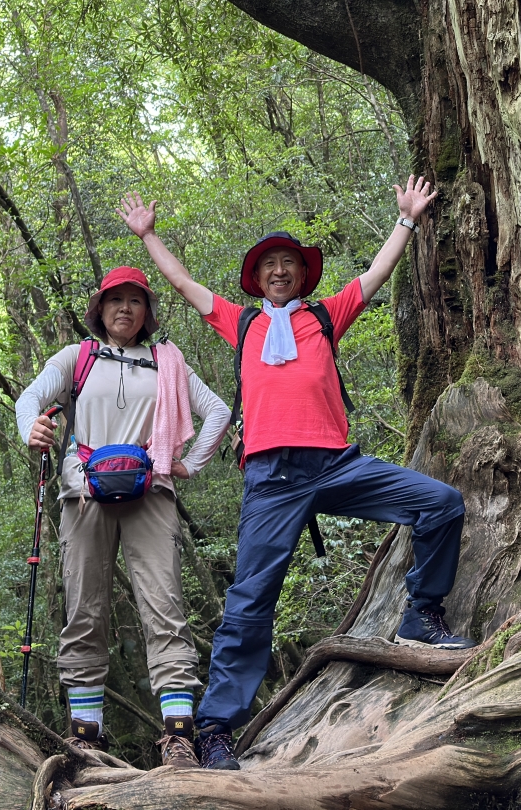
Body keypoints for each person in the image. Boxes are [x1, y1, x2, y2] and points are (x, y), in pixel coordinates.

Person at [120, 178, 470, 772]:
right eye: (269, 266)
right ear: (257, 281)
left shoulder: (325, 317)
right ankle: (215, 730)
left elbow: (375, 275)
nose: (279, 271)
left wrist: (407, 220)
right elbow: (184, 285)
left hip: (337, 464)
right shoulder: (243, 325)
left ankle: (421, 616)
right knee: (250, 600)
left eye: (288, 264)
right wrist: (148, 235)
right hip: (271, 478)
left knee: (440, 503)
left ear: (302, 277)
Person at [15, 265, 231, 768]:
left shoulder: (166, 360)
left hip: (150, 492)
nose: (125, 309)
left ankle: (178, 737)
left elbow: (217, 411)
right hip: (84, 492)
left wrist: (188, 463)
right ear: (100, 308)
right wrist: (34, 429)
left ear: (148, 312)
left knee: (165, 608)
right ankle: (86, 739)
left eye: (136, 301)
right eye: (116, 300)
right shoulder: (78, 356)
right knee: (84, 611)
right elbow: (31, 397)